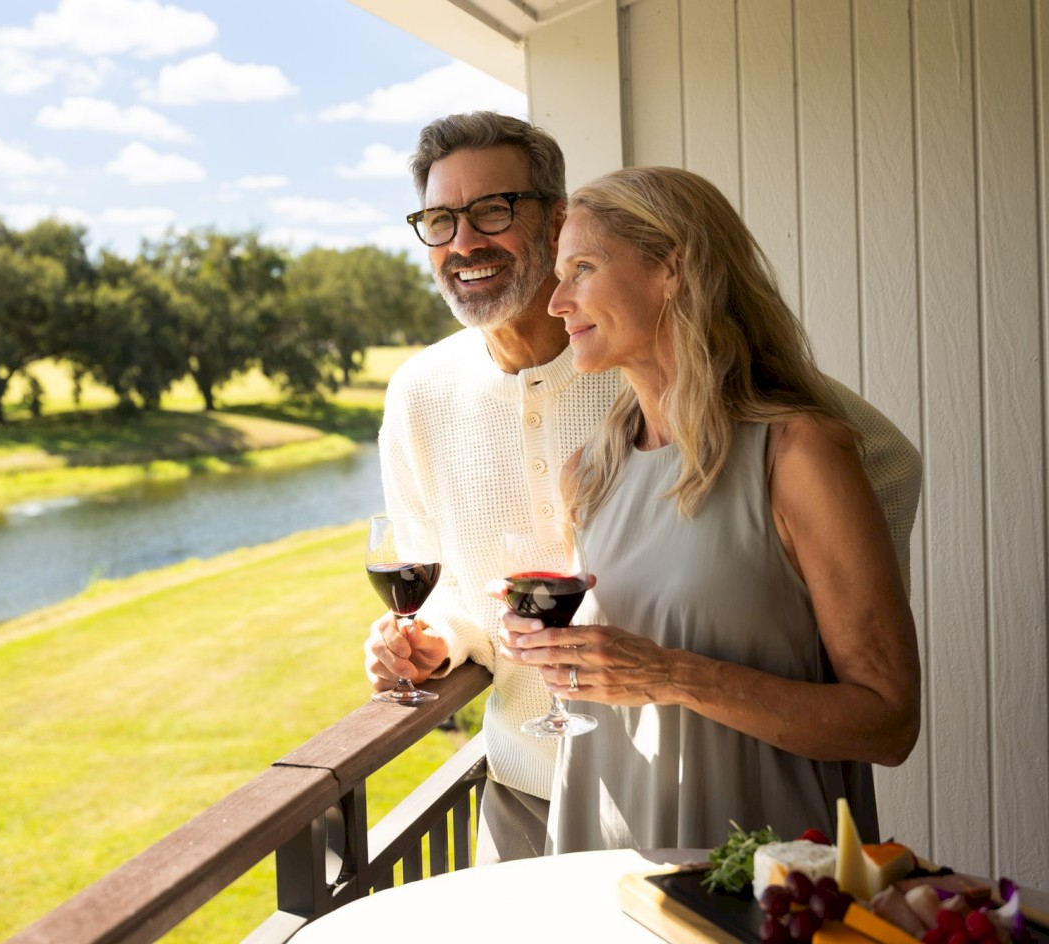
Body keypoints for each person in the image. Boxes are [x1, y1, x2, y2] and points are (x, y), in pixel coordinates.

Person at [365, 112, 922, 863]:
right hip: (558, 805)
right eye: (439, 220)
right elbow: (463, 596)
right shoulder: (465, 414)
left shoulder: (763, 431)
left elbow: (876, 465)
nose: (464, 242)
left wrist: (800, 605)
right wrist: (441, 638)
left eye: (492, 210)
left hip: (746, 824)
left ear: (556, 218)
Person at [507, 166, 920, 852]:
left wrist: (671, 675)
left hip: (758, 872)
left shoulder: (798, 457)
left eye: (581, 268)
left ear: (671, 266)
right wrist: (545, 642)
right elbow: (611, 666)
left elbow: (888, 723)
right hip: (600, 858)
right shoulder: (590, 472)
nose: (556, 302)